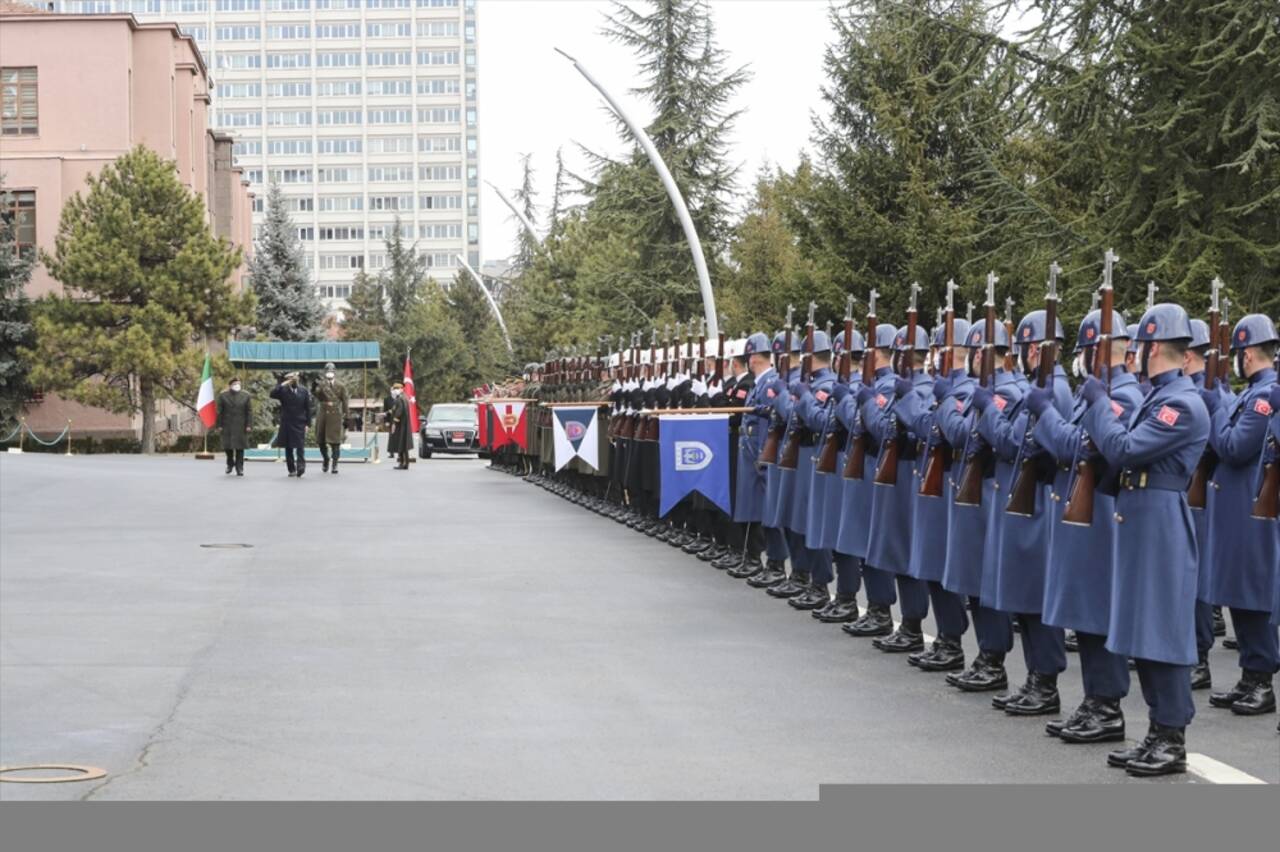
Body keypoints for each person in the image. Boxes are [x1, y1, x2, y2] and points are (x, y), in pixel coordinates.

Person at [1079, 303, 1209, 776]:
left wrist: (1098, 406)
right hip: (1140, 517)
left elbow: (1127, 449)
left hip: (1160, 521)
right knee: (1142, 628)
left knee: (1164, 630)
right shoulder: (1159, 398)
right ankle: (1157, 730)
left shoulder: (1181, 405)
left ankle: (1172, 736)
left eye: (1138, 344)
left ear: (1152, 347)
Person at [1031, 311, 1143, 742]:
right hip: (1080, 512)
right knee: (1084, 610)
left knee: (1097, 609)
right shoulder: (1092, 393)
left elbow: (1080, 446)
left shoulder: (1123, 396)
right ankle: (1094, 699)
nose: (1077, 359)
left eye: (1082, 350)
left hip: (1098, 516)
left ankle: (1108, 705)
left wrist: (1046, 417)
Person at [1202, 314, 1279, 717]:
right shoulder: (1253, 394)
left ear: (1247, 354)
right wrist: (1226, 400)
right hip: (1238, 509)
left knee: (1253, 594)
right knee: (1240, 594)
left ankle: (1262, 680)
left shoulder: (1267, 395)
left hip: (1251, 510)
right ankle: (1251, 674)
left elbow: (1236, 446)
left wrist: (1217, 407)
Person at [270, 372, 314, 478]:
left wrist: (308, 424)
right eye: (291, 379)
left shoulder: (303, 391)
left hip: (300, 422)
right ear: (287, 380)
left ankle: (301, 467)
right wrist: (283, 384)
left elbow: (307, 408)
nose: (294, 380)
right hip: (287, 422)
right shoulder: (283, 391)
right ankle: (291, 469)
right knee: (288, 447)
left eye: (295, 378)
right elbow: (272, 394)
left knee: (300, 446)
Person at [314, 362, 348, 475]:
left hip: (335, 415)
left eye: (331, 371)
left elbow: (345, 402)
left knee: (336, 442)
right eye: (327, 371)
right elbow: (318, 396)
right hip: (323, 414)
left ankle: (335, 463)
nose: (329, 373)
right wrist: (316, 388)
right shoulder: (321, 385)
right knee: (321, 441)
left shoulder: (341, 386)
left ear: (334, 372)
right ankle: (326, 459)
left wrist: (346, 417)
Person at [216, 376, 251, 477]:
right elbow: (220, 412)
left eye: (239, 384)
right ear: (230, 385)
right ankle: (230, 464)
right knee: (228, 447)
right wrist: (219, 425)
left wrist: (249, 425)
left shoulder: (246, 395)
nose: (237, 386)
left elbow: (249, 412)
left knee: (240, 448)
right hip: (227, 425)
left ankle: (240, 468)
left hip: (241, 425)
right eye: (235, 384)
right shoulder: (223, 396)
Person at [387, 382, 412, 470]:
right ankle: (405, 463)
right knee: (403, 445)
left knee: (401, 444)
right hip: (403, 425)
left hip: (401, 425)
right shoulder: (403, 397)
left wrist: (394, 423)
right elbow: (397, 409)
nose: (393, 391)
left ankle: (402, 463)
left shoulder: (400, 399)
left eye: (395, 389)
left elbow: (399, 411)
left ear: (399, 389)